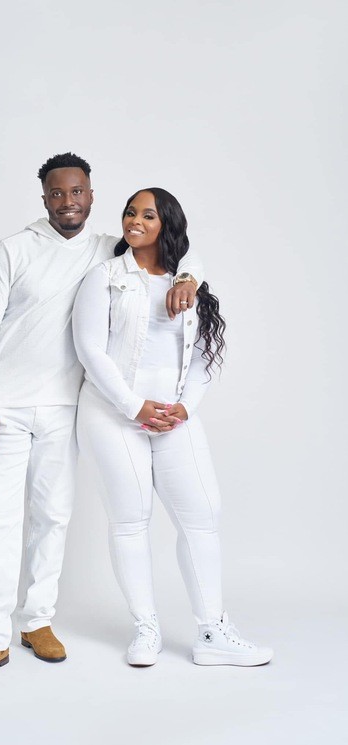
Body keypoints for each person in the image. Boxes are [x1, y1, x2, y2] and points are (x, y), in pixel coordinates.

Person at [0, 155, 204, 683]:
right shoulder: (13, 250)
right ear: (44, 198)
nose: (68, 202)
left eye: (77, 192)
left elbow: (171, 249)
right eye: (57, 193)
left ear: (92, 196)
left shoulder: (106, 249)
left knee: (53, 516)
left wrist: (189, 277)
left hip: (64, 406)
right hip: (6, 406)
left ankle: (37, 621)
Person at [72, 187, 273, 667]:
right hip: (111, 413)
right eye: (130, 212)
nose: (134, 221)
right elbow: (89, 349)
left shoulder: (187, 282)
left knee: (203, 515)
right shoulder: (105, 277)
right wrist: (133, 406)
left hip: (173, 417)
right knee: (130, 518)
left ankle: (212, 632)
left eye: (148, 215)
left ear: (167, 224)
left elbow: (203, 355)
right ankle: (146, 630)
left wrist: (185, 407)